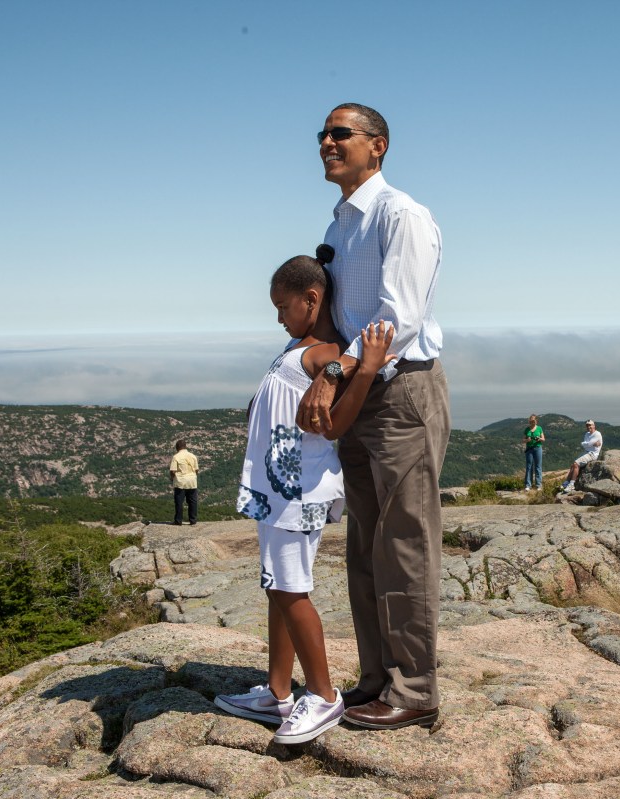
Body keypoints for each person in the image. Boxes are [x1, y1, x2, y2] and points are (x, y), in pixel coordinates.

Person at [296, 103, 450, 731]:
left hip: (400, 392)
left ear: (377, 146)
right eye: (323, 135)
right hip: (360, 391)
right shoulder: (344, 221)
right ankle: (375, 678)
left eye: (342, 134)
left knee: (404, 542)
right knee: (365, 542)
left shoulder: (399, 214)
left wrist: (335, 375)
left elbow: (398, 317)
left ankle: (414, 691)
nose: (328, 143)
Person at [215, 248, 396, 745]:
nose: (278, 317)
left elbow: (334, 423)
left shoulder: (323, 353)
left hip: (295, 493)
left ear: (310, 299)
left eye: (282, 306)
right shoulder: (300, 347)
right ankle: (277, 691)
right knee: (280, 587)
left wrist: (362, 369)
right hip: (278, 491)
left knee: (291, 591)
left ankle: (322, 694)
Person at [562, 420, 603, 491]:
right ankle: (566, 483)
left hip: (592, 454)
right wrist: (590, 444)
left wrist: (587, 444)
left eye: (590, 425)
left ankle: (571, 484)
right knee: (573, 465)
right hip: (586, 452)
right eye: (587, 425)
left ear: (594, 426)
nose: (589, 427)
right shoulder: (587, 434)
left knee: (576, 464)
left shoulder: (597, 434)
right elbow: (585, 445)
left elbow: (587, 444)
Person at [169, 440, 199, 525]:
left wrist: (172, 478)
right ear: (185, 446)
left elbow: (173, 470)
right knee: (192, 501)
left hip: (180, 482)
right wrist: (192, 476)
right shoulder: (193, 456)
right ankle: (193, 520)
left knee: (179, 502)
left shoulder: (176, 457)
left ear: (177, 447)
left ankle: (178, 521)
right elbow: (196, 469)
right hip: (192, 481)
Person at [523, 414, 545, 490]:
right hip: (529, 449)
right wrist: (527, 440)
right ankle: (528, 485)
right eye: (531, 420)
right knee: (529, 466)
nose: (532, 422)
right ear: (529, 421)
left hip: (537, 448)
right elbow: (523, 440)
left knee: (538, 466)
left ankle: (538, 485)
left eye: (534, 420)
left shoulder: (539, 428)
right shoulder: (527, 429)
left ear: (536, 421)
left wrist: (539, 439)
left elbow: (543, 439)